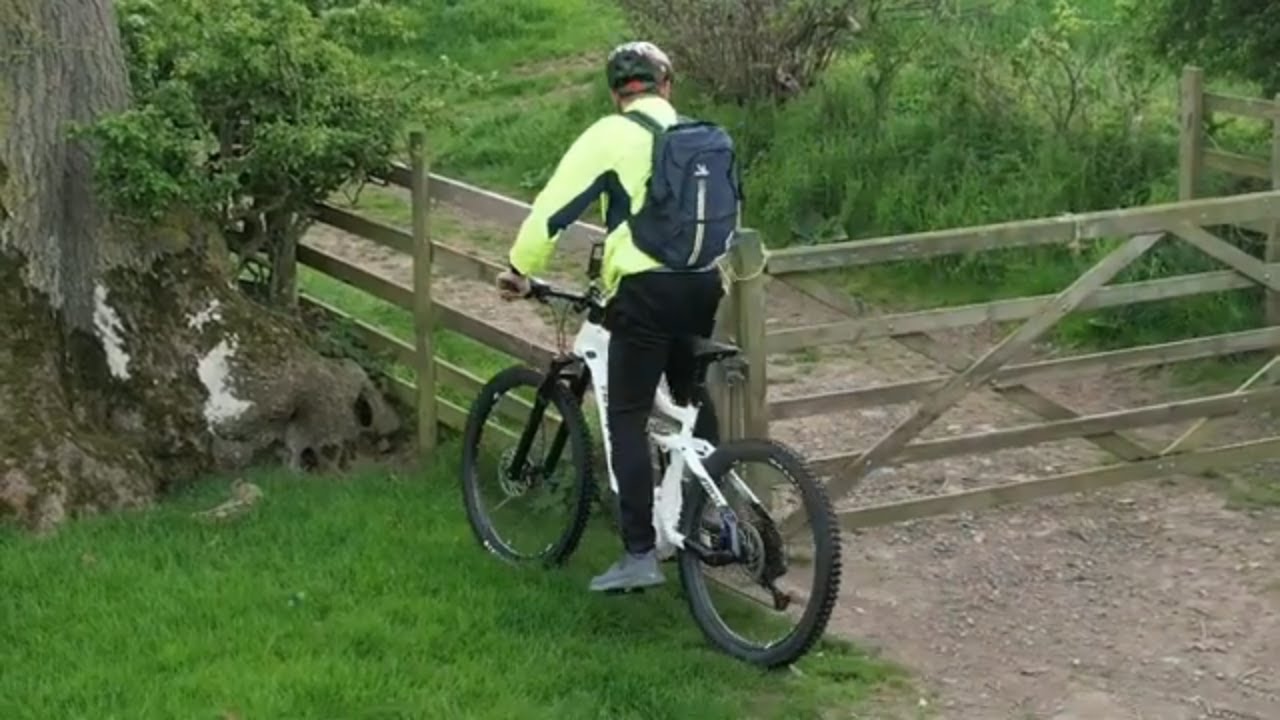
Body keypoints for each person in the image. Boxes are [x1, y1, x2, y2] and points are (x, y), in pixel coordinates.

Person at [495, 41, 743, 593]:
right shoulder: (696, 137)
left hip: (645, 292)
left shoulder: (610, 135)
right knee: (688, 399)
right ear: (667, 85)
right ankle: (699, 511)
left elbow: (553, 209)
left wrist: (519, 267)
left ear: (616, 93)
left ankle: (638, 553)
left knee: (626, 418)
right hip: (702, 284)